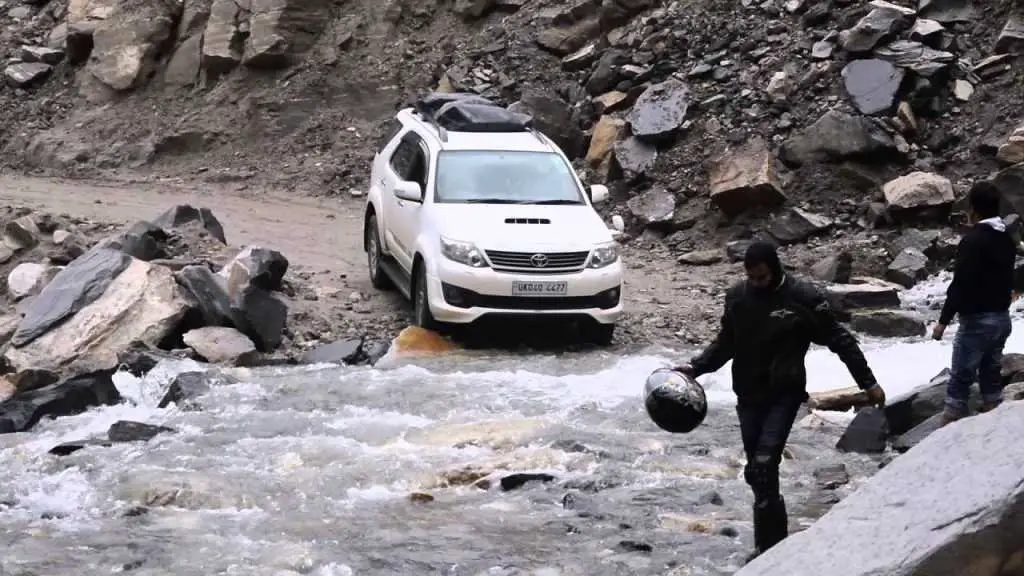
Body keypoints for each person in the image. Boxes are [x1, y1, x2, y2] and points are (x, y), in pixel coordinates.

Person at [674, 241, 885, 563]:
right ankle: (770, 549)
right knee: (757, 473)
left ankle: (771, 551)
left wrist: (868, 382)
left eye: (762, 277)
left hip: (783, 394)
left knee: (763, 464)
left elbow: (840, 339)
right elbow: (725, 344)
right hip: (747, 395)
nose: (756, 283)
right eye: (751, 277)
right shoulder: (738, 298)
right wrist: (695, 367)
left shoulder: (803, 298)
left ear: (776, 269)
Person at [931, 181, 1016, 425]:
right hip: (1001, 319)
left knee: (960, 380)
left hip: (977, 321)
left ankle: (943, 438)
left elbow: (961, 284)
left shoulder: (973, 241)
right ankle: (992, 427)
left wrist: (943, 322)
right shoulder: (1006, 239)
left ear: (973, 210)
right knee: (990, 378)